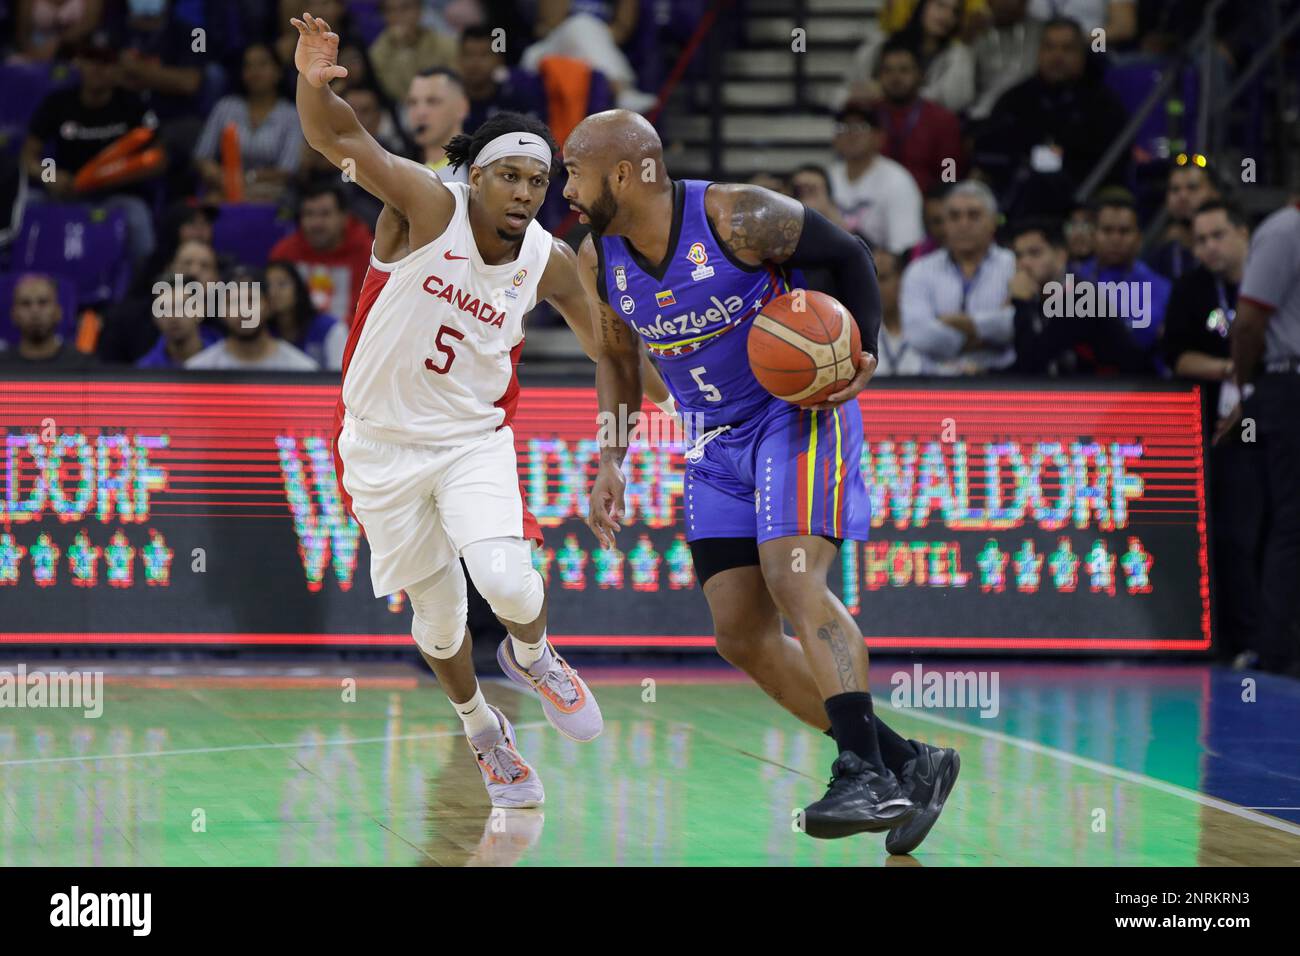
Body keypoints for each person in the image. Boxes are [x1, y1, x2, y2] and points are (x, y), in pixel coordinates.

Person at [290, 12, 667, 807]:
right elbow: (340, 139)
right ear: (477, 177)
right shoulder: (427, 208)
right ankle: (483, 731)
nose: (525, 193)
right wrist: (312, 80)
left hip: (472, 441)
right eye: (510, 177)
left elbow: (616, 354)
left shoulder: (548, 259)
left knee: (510, 581)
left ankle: (534, 657)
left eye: (537, 181)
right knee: (437, 622)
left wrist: (614, 454)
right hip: (380, 449)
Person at [564, 109, 960, 851]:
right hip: (712, 439)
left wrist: (862, 353)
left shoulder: (734, 215)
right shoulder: (597, 257)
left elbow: (849, 255)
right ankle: (911, 763)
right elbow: (616, 360)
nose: (567, 188)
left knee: (793, 579)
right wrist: (612, 456)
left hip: (794, 415)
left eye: (574, 170)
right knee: (739, 634)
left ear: (623, 172)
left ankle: (861, 770)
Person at [1161, 199, 1262, 664]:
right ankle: (1237, 640)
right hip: (1216, 432)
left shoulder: (1271, 278)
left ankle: (1272, 637)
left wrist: (1249, 385)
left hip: (1271, 416)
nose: (1208, 248)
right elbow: (1178, 357)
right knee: (1230, 535)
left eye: (1218, 235)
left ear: (1242, 232)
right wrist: (1230, 369)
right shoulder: (1192, 288)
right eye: (1199, 240)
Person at [1226, 198, 1300, 676]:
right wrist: (1244, 385)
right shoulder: (1284, 230)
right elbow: (1249, 322)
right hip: (1287, 386)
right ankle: (1275, 649)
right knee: (1292, 519)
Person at [23, 32, 160, 270]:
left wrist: (114, 175)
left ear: (117, 68)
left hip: (116, 195)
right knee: (27, 203)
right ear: (80, 63)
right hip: (68, 190)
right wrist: (51, 176)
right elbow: (29, 157)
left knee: (137, 217)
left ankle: (144, 285)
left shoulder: (133, 105)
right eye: (91, 60)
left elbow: (158, 159)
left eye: (106, 62)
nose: (97, 69)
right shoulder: (58, 102)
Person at [972, 17, 1128, 218]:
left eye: (1067, 49)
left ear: (1082, 54)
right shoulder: (1015, 100)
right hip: (1017, 202)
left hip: (1084, 200)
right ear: (1039, 52)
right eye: (1050, 47)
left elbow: (1115, 167)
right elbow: (989, 152)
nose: (1057, 56)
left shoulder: (1104, 104)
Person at [899, 180, 1016, 373]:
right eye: (954, 216)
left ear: (993, 221)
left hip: (1000, 382)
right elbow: (918, 334)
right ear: (944, 224)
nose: (963, 224)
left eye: (974, 215)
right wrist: (986, 335)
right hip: (936, 386)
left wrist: (964, 323)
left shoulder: (1013, 265)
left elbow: (1016, 324)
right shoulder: (919, 270)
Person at [1006, 216, 1147, 375]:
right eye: (1018, 255)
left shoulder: (1081, 298)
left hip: (1120, 392)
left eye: (1034, 253)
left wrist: (1022, 303)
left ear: (1060, 257)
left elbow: (1032, 365)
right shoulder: (1041, 299)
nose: (1024, 263)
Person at [194, 43, 304, 204]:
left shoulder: (291, 115)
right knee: (210, 204)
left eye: (262, 64)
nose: (255, 72)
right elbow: (202, 155)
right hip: (224, 187)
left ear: (278, 72)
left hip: (272, 191)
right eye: (248, 66)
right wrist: (217, 175)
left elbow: (288, 170)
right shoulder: (225, 107)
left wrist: (247, 179)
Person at [836, 0, 976, 113]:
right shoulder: (881, 44)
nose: (946, 16)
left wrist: (887, 92)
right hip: (879, 124)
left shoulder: (958, 54)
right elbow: (844, 93)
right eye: (940, 5)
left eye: (955, 12)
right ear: (922, 6)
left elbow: (955, 101)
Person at [1077, 194, 1171, 360]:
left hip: (1142, 380)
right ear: (1093, 236)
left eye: (1124, 231)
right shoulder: (1072, 281)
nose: (1115, 239)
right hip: (1081, 381)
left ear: (1139, 238)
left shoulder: (1162, 289)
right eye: (1107, 230)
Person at [269, 180, 374, 323]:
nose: (316, 223)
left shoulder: (368, 254)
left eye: (325, 214)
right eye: (309, 214)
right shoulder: (285, 253)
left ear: (344, 218)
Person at [826, 102, 924, 255]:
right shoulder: (828, 176)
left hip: (880, 271)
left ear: (879, 137)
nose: (851, 134)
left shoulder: (898, 180)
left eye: (861, 127)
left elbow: (905, 250)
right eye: (843, 128)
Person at [185, 267, 320, 371]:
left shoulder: (302, 369)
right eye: (232, 302)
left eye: (251, 300)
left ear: (269, 305)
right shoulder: (198, 370)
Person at [874, 40, 965, 193]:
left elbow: (950, 169)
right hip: (872, 203)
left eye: (904, 70)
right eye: (888, 71)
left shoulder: (943, 120)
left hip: (925, 204)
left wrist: (940, 197)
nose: (895, 78)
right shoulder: (868, 115)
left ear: (920, 75)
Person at [458, 24, 548, 131]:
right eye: (469, 55)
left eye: (484, 55)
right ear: (458, 59)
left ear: (499, 60)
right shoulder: (449, 100)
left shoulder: (516, 99)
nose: (475, 63)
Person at [368, 0, 458, 104]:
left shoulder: (445, 45)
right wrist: (401, 48)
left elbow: (453, 85)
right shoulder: (376, 53)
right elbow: (397, 93)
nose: (398, 15)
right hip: (400, 110)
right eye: (391, 10)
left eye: (405, 8)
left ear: (419, 10)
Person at [263, 260, 347, 370]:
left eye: (282, 284)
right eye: (267, 286)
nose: (273, 292)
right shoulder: (262, 332)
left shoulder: (330, 328)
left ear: (298, 289)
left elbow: (341, 376)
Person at [1145, 160, 1220, 282]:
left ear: (1214, 193)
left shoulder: (1233, 248)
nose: (1183, 196)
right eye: (1175, 189)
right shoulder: (1159, 253)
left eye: (1192, 188)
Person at [969, 0, 1045, 120]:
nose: (1006, 3)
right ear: (988, 2)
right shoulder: (976, 31)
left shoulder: (1043, 31)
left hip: (1033, 114)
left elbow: (1084, 43)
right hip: (983, 117)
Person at [1, 274, 96, 369]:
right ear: (14, 315)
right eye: (25, 304)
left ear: (58, 312)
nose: (35, 311)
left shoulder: (83, 366)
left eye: (43, 302)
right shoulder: (2, 366)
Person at [136, 273, 220, 368]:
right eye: (163, 309)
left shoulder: (223, 364)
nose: (173, 317)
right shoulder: (144, 371)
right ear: (154, 317)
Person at [403, 67, 471, 182]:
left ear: (461, 107)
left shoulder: (482, 172)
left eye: (432, 101)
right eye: (412, 102)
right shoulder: (404, 174)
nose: (420, 112)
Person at [872, 250, 929, 375]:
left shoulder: (924, 325)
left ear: (901, 279)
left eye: (883, 279)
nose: (875, 287)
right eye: (870, 280)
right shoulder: (862, 332)